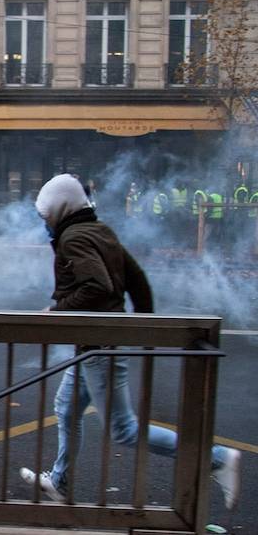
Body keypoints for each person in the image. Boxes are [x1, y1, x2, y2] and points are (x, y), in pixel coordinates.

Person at [20, 173, 241, 509]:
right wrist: (144, 328)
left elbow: (99, 286)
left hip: (98, 345)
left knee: (123, 429)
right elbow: (137, 279)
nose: (44, 221)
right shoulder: (100, 230)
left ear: (59, 209)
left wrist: (57, 309)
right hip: (95, 344)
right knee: (66, 408)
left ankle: (216, 457)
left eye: (45, 214)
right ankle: (59, 481)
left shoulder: (73, 239)